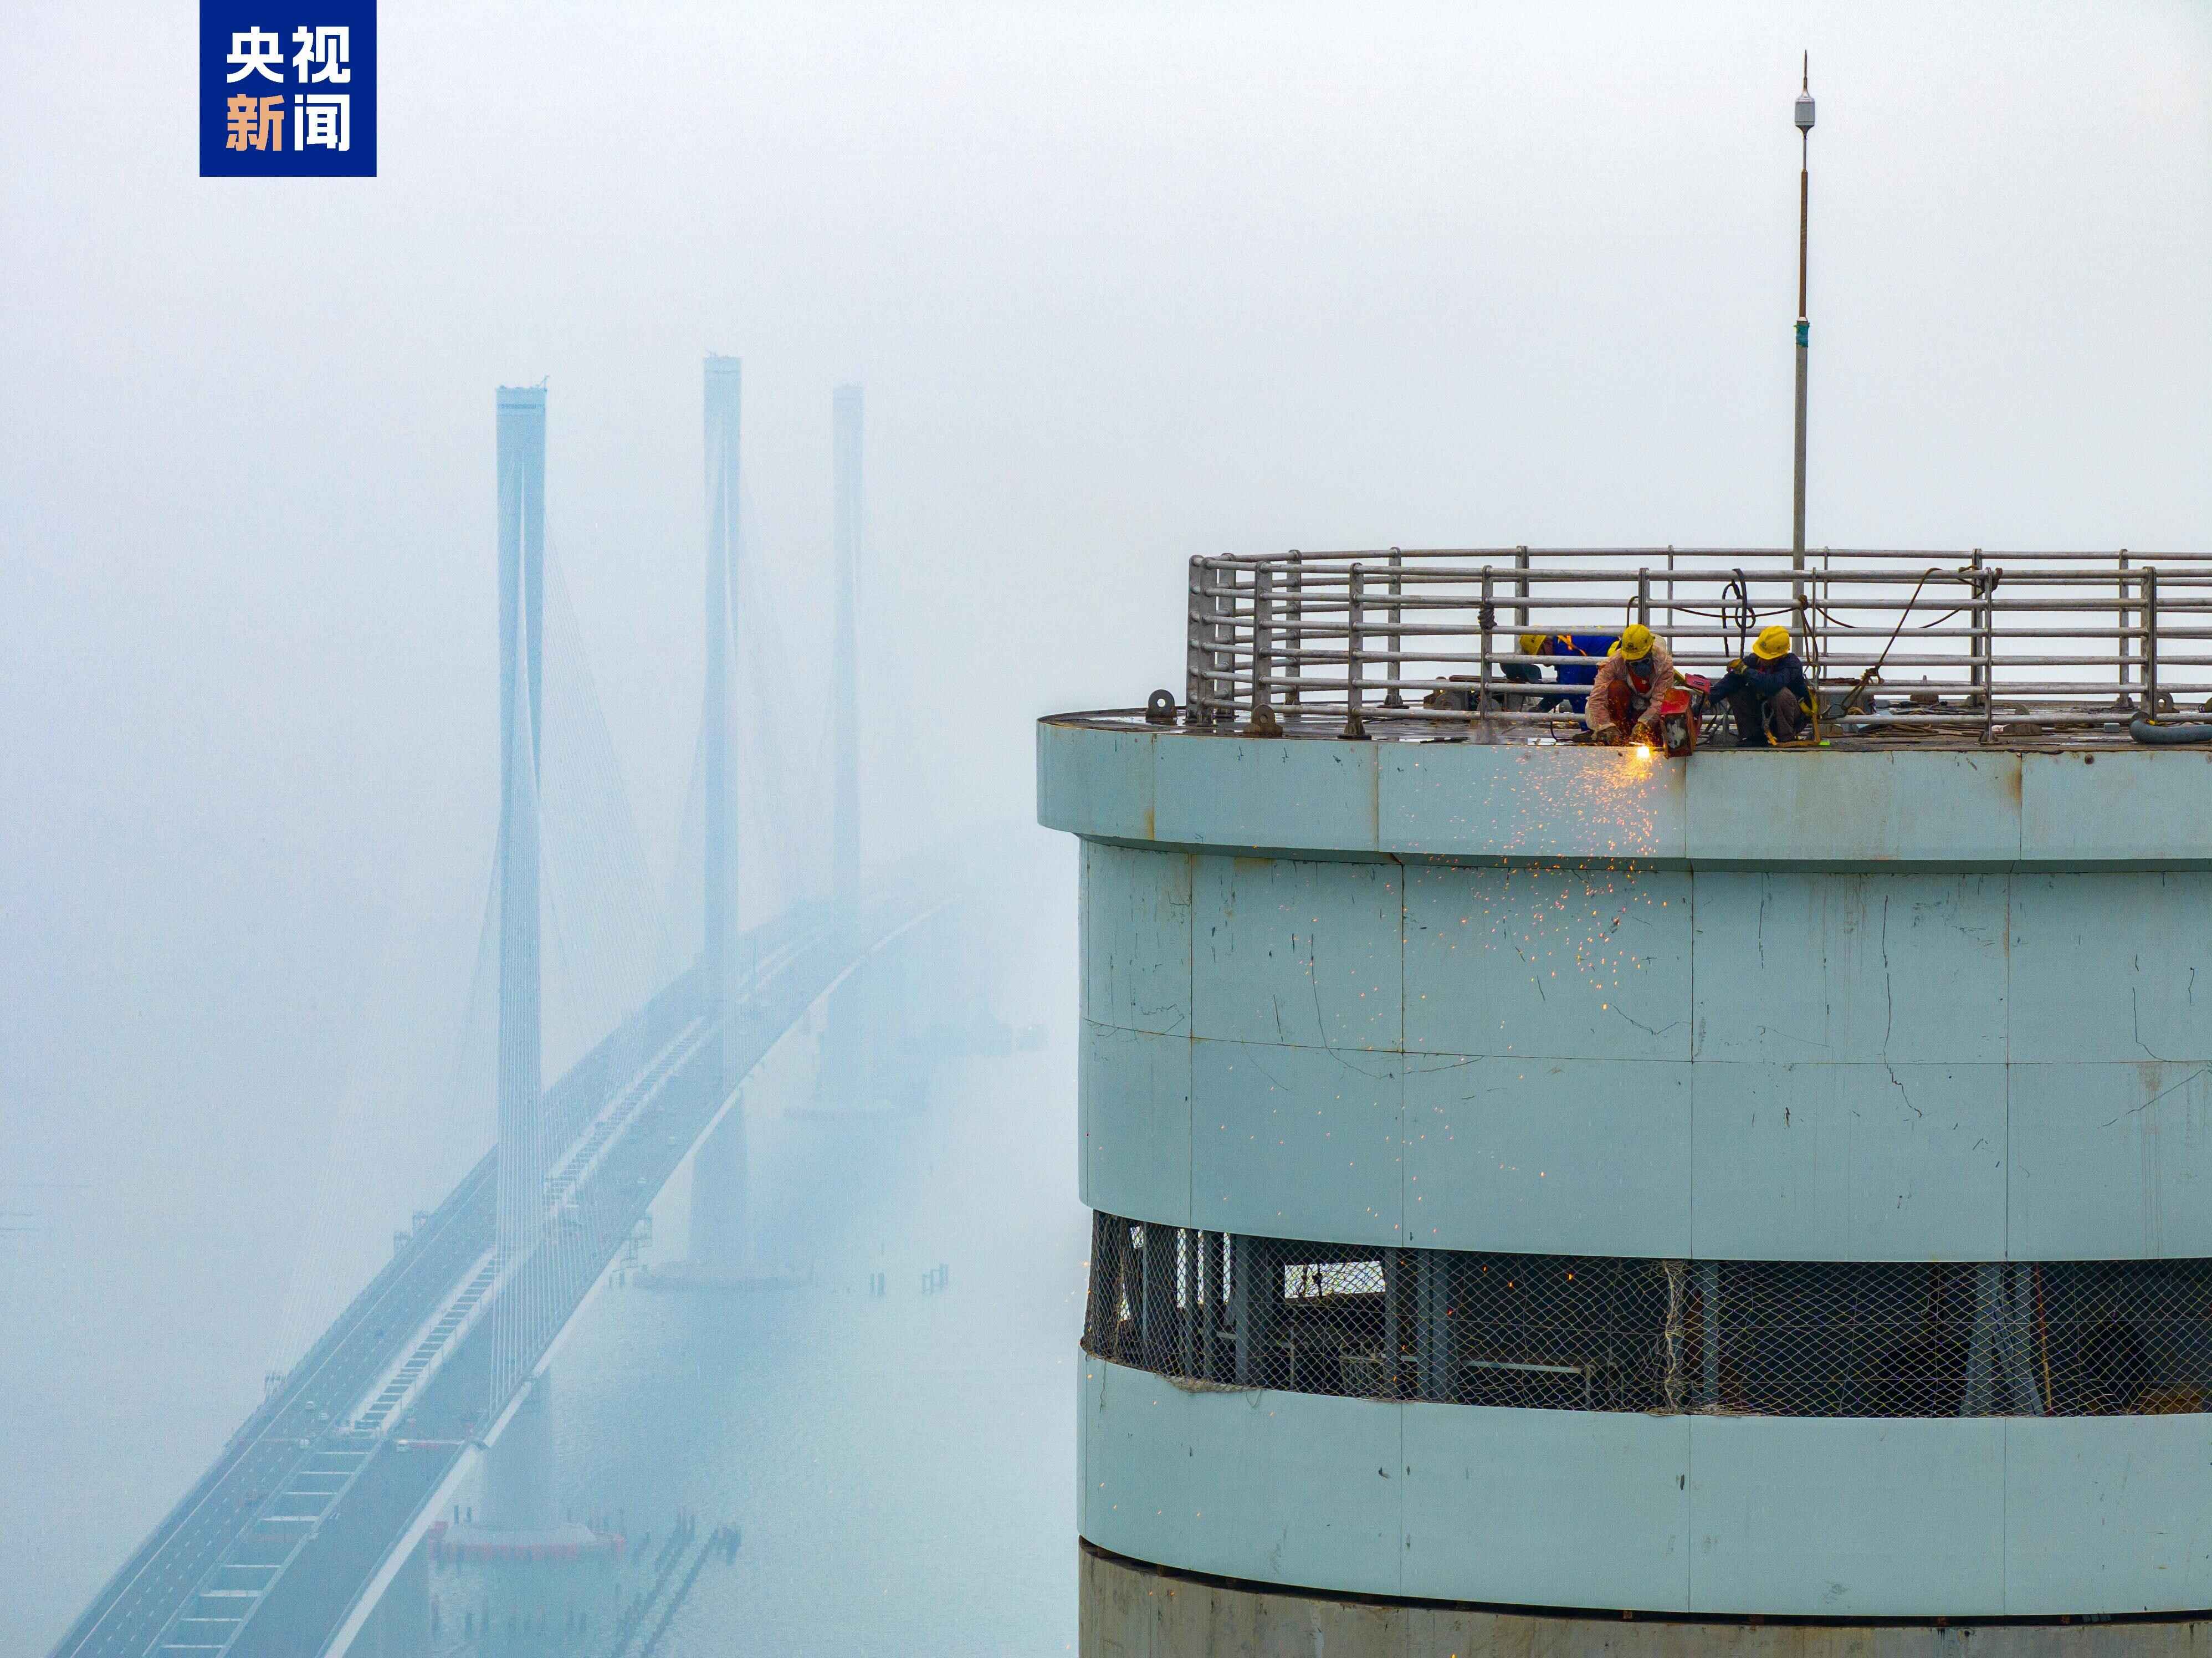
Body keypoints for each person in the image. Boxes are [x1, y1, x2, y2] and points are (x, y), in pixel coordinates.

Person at [1707, 625, 1812, 746]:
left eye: (1765, 656)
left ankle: (1787, 737)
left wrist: (1746, 671)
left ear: (1779, 656)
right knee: (1736, 690)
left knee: (1780, 693)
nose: (1761, 659)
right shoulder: (1755, 660)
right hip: (1765, 716)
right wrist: (1709, 699)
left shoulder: (1792, 664)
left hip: (1794, 719)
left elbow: (1772, 685)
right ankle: (1753, 736)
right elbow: (1732, 681)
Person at [1584, 625, 1675, 745]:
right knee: (1616, 689)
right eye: (1634, 663)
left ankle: (1644, 737)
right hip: (1625, 713)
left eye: (1644, 661)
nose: (1640, 667)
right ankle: (1619, 737)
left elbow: (1660, 702)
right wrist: (1606, 726)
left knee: (1660, 727)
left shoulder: (1664, 664)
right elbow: (1597, 698)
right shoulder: (1614, 663)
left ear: (1650, 650)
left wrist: (1644, 724)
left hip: (1648, 714)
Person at [1513, 630, 1618, 714]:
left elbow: (1570, 687)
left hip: (1611, 661)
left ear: (1547, 643)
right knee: (1576, 687)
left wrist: (1545, 704)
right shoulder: (1562, 643)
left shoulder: (1565, 649)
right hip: (1605, 660)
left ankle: (1588, 730)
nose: (1542, 660)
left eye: (1541, 653)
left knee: (1577, 692)